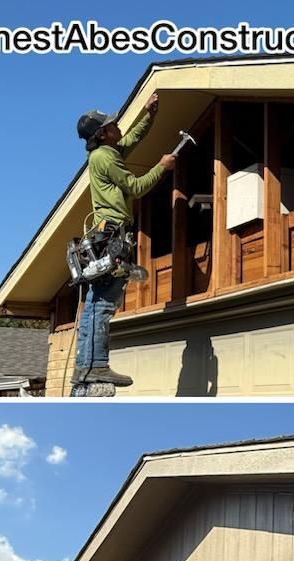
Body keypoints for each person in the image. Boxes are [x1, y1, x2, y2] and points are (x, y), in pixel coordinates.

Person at [72, 91, 176, 386]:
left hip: (105, 235)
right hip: (111, 235)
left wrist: (149, 115)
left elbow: (129, 140)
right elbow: (136, 186)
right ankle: (96, 366)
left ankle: (85, 365)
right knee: (103, 303)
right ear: (103, 134)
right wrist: (162, 167)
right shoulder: (106, 157)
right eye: (113, 125)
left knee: (95, 302)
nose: (118, 126)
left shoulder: (103, 153)